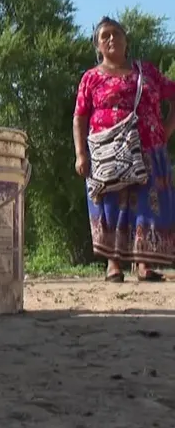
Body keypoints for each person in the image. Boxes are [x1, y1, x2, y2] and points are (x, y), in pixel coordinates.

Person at [73, 16, 175, 283]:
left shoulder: (146, 72)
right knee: (111, 204)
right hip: (108, 152)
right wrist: (80, 154)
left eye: (116, 33)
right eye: (104, 35)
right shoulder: (91, 78)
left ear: (126, 40)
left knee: (147, 204)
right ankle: (114, 264)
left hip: (149, 150)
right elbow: (80, 117)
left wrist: (164, 131)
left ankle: (144, 264)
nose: (111, 38)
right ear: (98, 46)